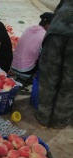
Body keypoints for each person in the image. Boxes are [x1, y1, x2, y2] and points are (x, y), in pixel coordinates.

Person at [35, 0, 73, 130]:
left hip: (57, 30)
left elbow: (57, 11)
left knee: (48, 78)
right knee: (69, 84)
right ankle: (58, 123)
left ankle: (43, 120)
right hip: (59, 30)